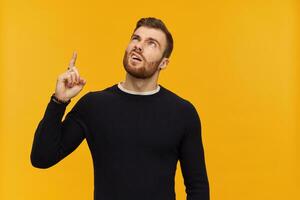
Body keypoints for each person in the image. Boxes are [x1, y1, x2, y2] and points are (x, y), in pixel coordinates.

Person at [30, 17, 210, 200]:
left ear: (164, 63)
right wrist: (58, 101)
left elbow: (198, 187)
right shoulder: (94, 106)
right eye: (136, 38)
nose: (139, 46)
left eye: (151, 43)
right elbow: (42, 158)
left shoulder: (182, 113)